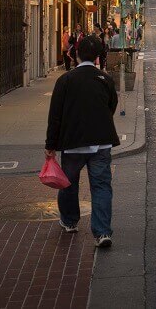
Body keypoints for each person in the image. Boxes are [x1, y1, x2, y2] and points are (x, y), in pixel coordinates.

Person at [45, 35, 119, 248]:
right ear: (97, 57)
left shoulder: (65, 80)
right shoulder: (105, 80)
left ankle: (70, 221)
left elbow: (55, 116)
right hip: (101, 143)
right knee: (102, 186)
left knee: (68, 184)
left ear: (75, 54)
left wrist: (50, 145)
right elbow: (111, 107)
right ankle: (102, 231)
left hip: (73, 143)